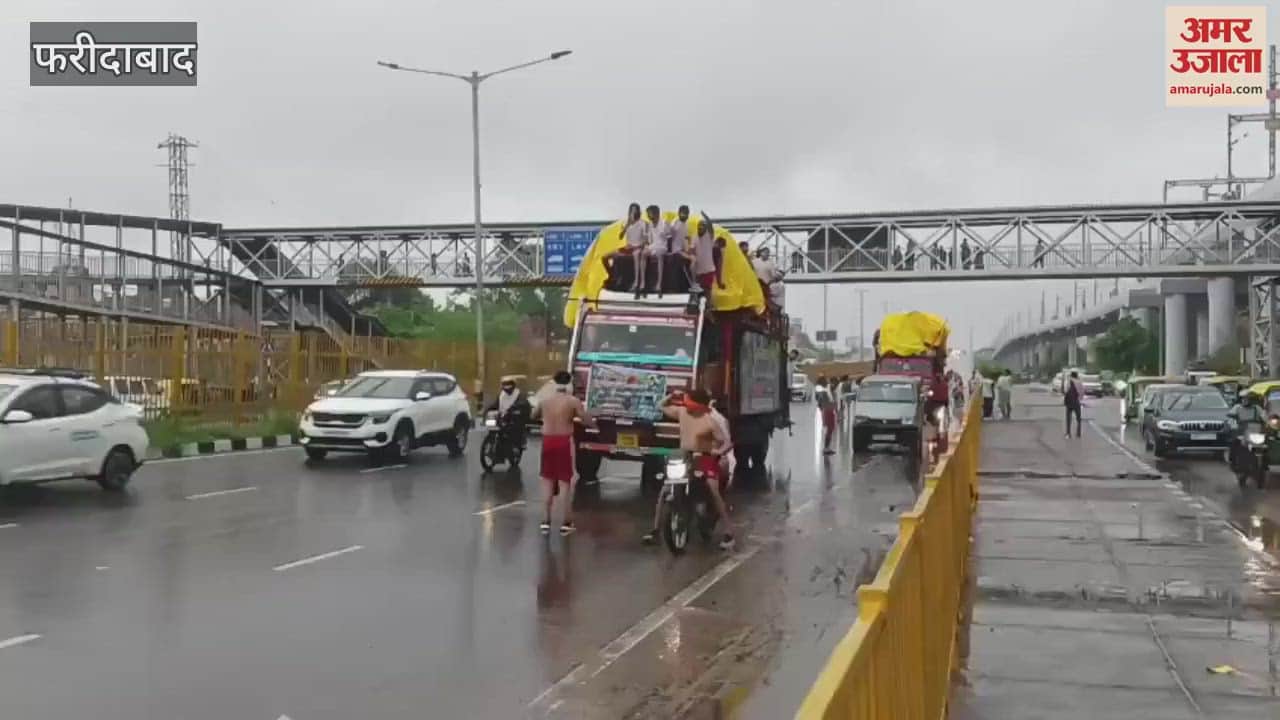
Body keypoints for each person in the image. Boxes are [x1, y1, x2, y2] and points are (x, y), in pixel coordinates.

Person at [643, 389, 734, 549]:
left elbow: (725, 442)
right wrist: (672, 395)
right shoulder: (682, 412)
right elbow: (660, 405)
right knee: (665, 489)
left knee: (713, 489)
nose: (687, 405)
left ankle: (729, 532)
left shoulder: (710, 420)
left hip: (704, 457)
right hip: (683, 456)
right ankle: (655, 530)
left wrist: (718, 452)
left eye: (690, 402)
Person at [532, 371, 596, 535]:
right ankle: (566, 522)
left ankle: (545, 521)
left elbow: (533, 415)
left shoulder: (545, 401)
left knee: (547, 479)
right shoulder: (572, 401)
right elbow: (585, 418)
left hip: (547, 441)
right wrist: (594, 423)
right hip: (563, 442)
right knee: (564, 482)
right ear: (569, 384)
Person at [606, 202, 649, 297]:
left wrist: (639, 246)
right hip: (627, 247)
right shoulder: (626, 223)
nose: (633, 212)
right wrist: (627, 225)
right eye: (631, 210)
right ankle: (611, 276)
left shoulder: (643, 223)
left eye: (635, 210)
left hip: (637, 247)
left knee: (636, 255)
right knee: (605, 257)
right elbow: (620, 236)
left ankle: (637, 283)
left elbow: (646, 240)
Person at [486, 376, 532, 448]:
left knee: (517, 424)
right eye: (505, 384)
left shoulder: (519, 394)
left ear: (514, 385)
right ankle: (492, 442)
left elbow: (523, 403)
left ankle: (521, 440)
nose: (507, 386)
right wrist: (488, 409)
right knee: (492, 421)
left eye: (509, 384)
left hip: (515, 415)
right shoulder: (501, 395)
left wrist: (515, 407)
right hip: (502, 415)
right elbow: (496, 404)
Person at [688, 214, 723, 294]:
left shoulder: (709, 236)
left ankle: (709, 305)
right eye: (699, 225)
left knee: (707, 289)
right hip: (698, 271)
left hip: (709, 270)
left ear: (706, 228)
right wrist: (691, 254)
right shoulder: (694, 237)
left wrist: (707, 218)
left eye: (703, 225)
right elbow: (692, 249)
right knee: (698, 291)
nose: (700, 227)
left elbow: (711, 228)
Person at [644, 204, 670, 296]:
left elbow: (669, 236)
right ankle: (643, 282)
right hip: (653, 246)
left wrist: (665, 233)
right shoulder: (650, 224)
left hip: (662, 246)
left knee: (659, 255)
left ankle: (659, 283)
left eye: (649, 213)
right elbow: (649, 240)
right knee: (642, 254)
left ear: (656, 213)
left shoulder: (664, 223)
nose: (648, 215)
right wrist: (647, 246)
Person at [814, 376, 836, 454]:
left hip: (828, 410)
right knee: (829, 429)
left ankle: (827, 447)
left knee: (830, 429)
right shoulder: (824, 391)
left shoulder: (825, 390)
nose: (827, 381)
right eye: (826, 380)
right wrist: (824, 408)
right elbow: (820, 402)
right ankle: (826, 448)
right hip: (828, 411)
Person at [1062, 370, 1084, 438]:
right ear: (1077, 375)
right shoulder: (1080, 382)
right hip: (1076, 402)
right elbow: (1082, 392)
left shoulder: (1069, 381)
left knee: (1068, 418)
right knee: (1078, 418)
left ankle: (1068, 433)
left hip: (1069, 402)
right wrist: (1079, 399)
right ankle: (1078, 433)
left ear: (1071, 375)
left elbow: (1065, 390)